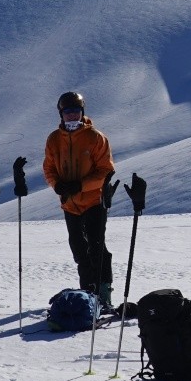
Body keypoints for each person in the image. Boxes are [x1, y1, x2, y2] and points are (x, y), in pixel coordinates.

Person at [43, 91, 116, 309]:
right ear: (61, 114)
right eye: (68, 112)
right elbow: (49, 168)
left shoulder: (95, 137)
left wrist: (80, 186)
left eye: (76, 111)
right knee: (78, 249)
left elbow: (106, 170)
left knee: (97, 247)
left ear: (82, 112)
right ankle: (88, 292)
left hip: (94, 201)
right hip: (70, 205)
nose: (72, 116)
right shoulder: (54, 139)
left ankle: (104, 294)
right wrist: (57, 185)